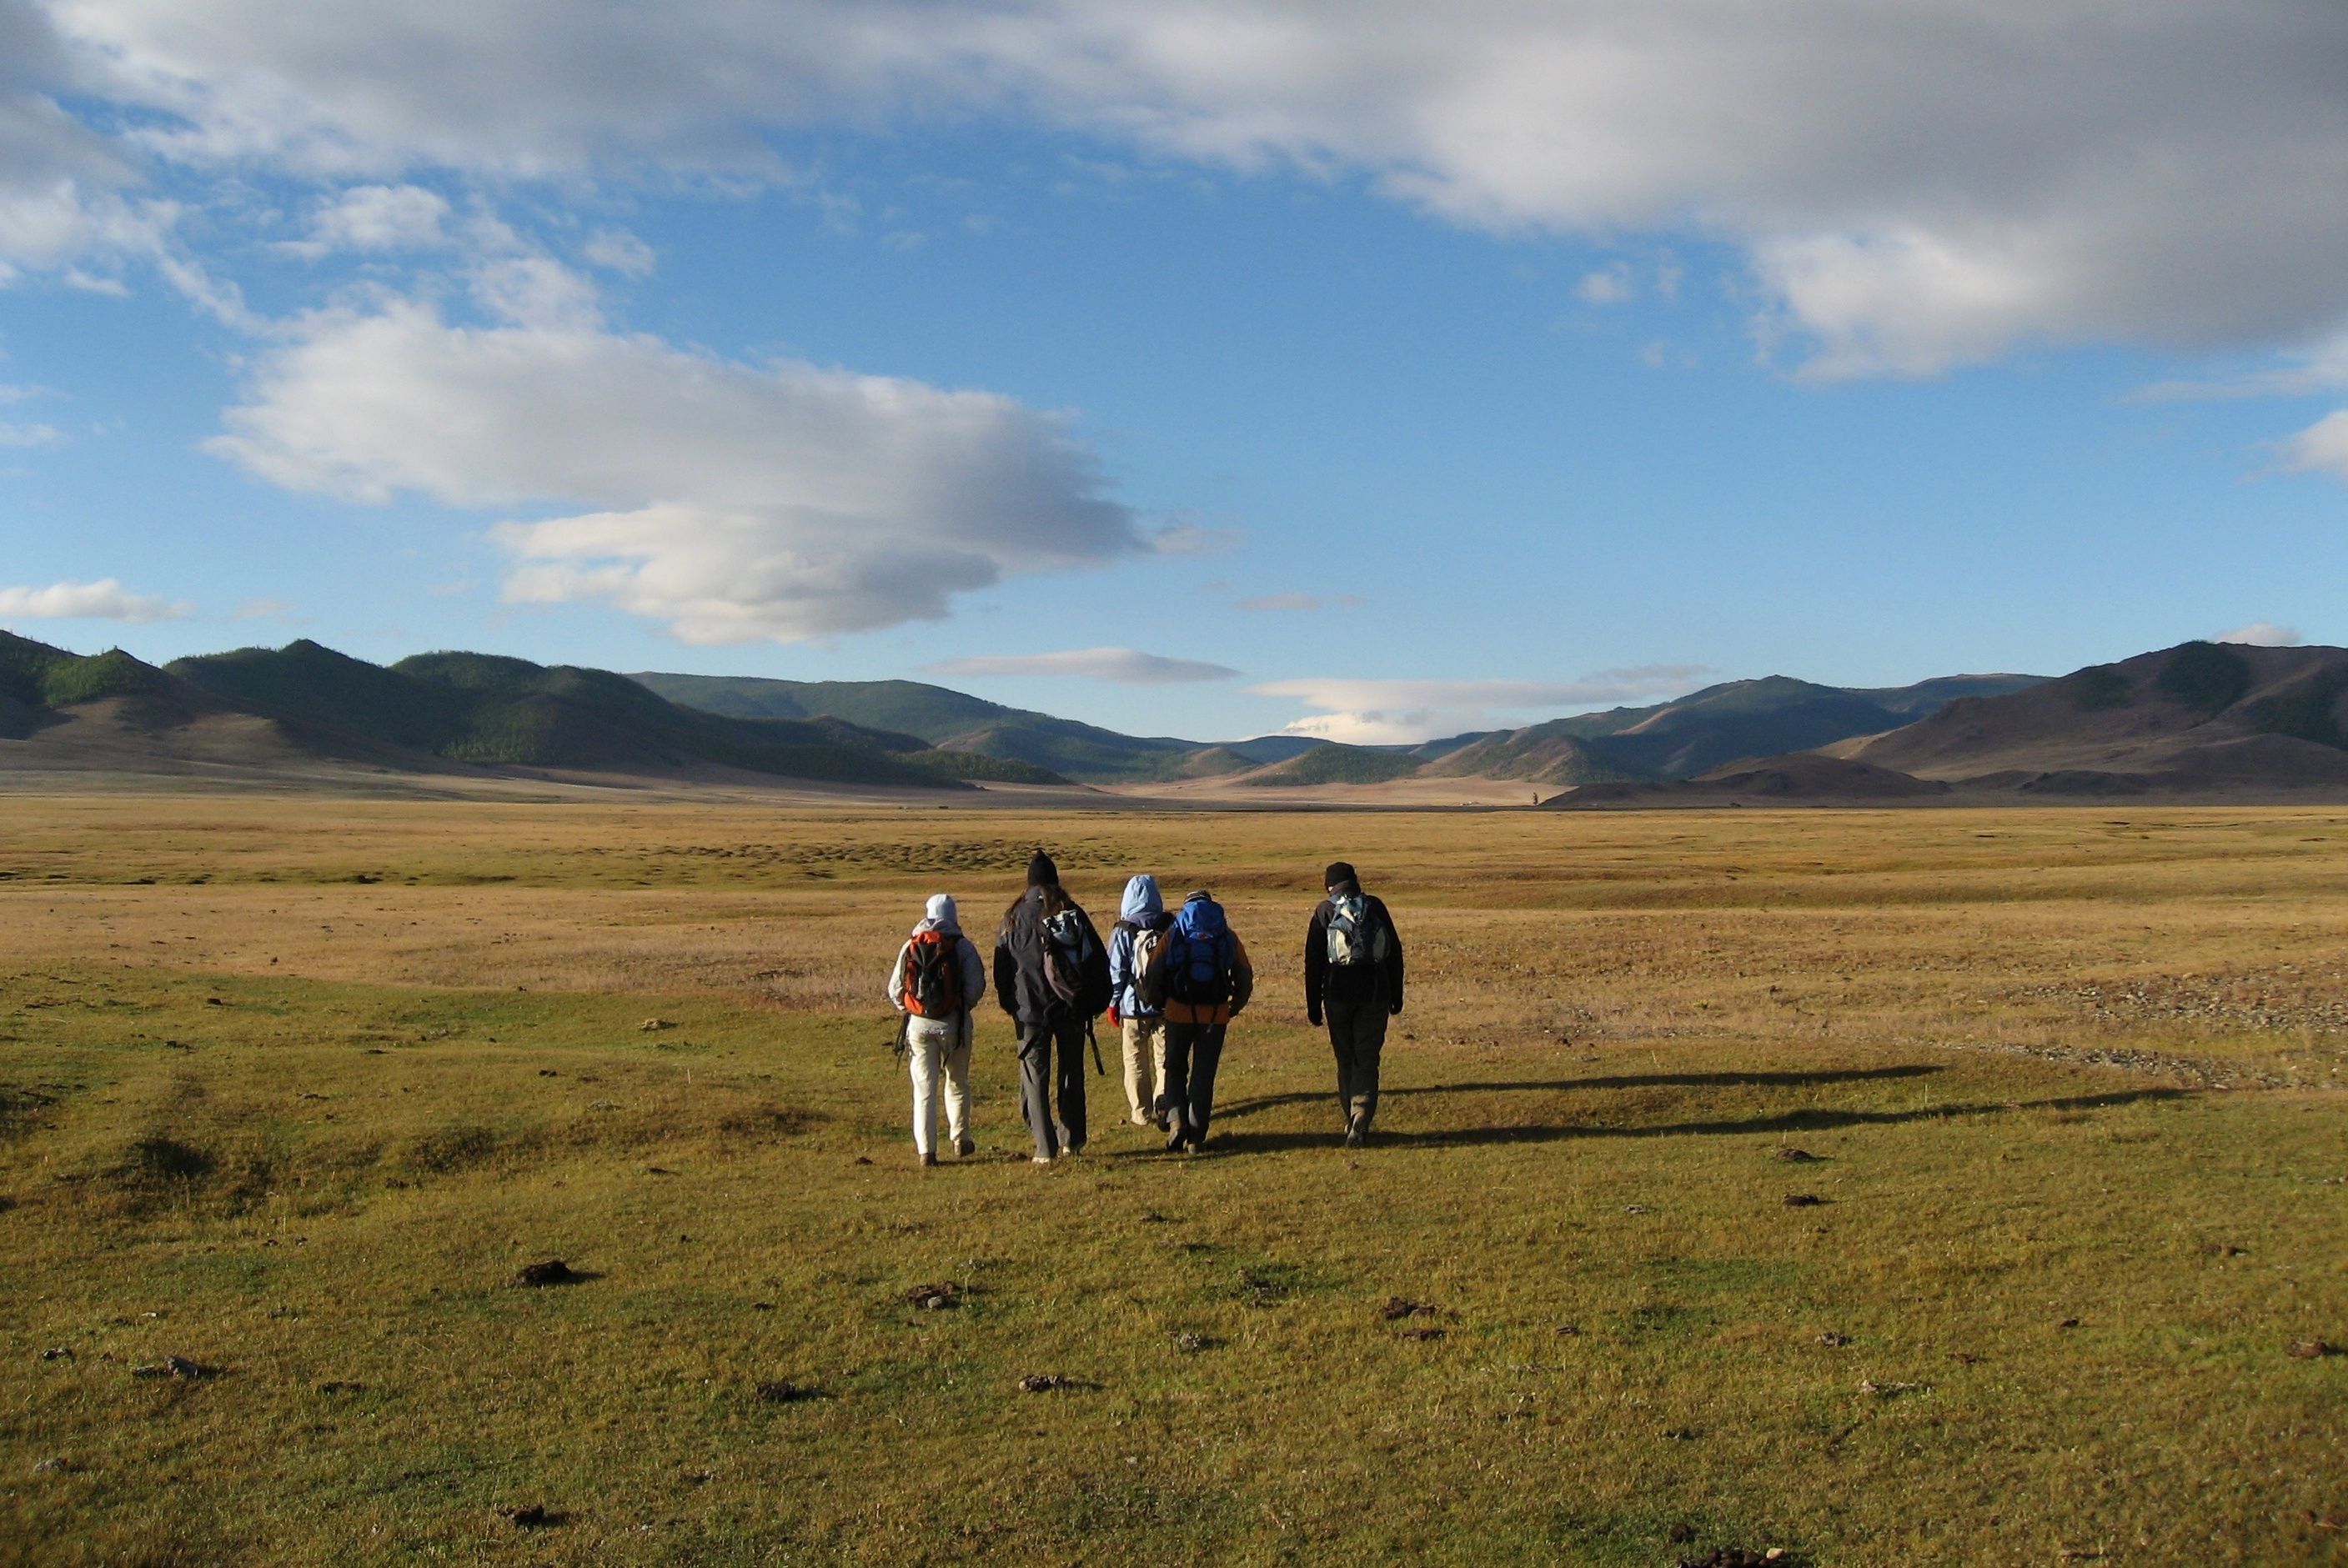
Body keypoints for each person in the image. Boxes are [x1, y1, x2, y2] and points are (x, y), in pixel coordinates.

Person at [994, 849, 1110, 1163]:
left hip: (1029, 1011)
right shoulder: (1071, 911)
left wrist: (1012, 1006)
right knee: (1071, 1071)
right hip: (1070, 1007)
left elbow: (1001, 970)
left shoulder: (1012, 918)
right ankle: (1072, 1140)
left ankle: (1045, 1148)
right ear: (1056, 880)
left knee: (1034, 1077)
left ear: (1028, 883)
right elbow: (1098, 960)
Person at [1302, 860, 1405, 1147]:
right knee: (1367, 1057)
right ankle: (1362, 1114)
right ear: (1356, 881)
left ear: (1329, 885)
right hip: (1375, 993)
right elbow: (1394, 953)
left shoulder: (1324, 910)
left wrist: (1313, 1006)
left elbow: (1314, 963)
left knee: (1345, 1057)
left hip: (1337, 995)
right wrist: (1397, 996)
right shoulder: (1375, 906)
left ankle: (1350, 1115)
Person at [1147, 888, 1253, 1151]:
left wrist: (1160, 1003)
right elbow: (1244, 977)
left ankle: (1175, 1122)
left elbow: (1154, 973)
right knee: (1203, 1075)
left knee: (1175, 1069)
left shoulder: (1175, 932)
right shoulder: (1225, 935)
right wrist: (1233, 1007)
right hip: (1215, 1015)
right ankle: (1195, 1138)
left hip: (1177, 1011)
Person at [886, 894, 987, 1167]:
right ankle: (960, 1139)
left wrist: (913, 1008)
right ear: (954, 915)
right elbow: (975, 987)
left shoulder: (911, 944)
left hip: (917, 1025)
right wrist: (960, 1007)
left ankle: (927, 1152)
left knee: (924, 1090)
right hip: (955, 1023)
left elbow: (895, 990)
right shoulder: (963, 946)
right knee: (957, 1081)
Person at [1106, 874, 1173, 1129]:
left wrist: (1112, 1003)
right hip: (1164, 1004)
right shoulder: (1169, 924)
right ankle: (1165, 1100)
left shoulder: (1122, 929)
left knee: (1134, 1059)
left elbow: (1116, 971)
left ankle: (1141, 1113)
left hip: (1132, 1007)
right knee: (1164, 1058)